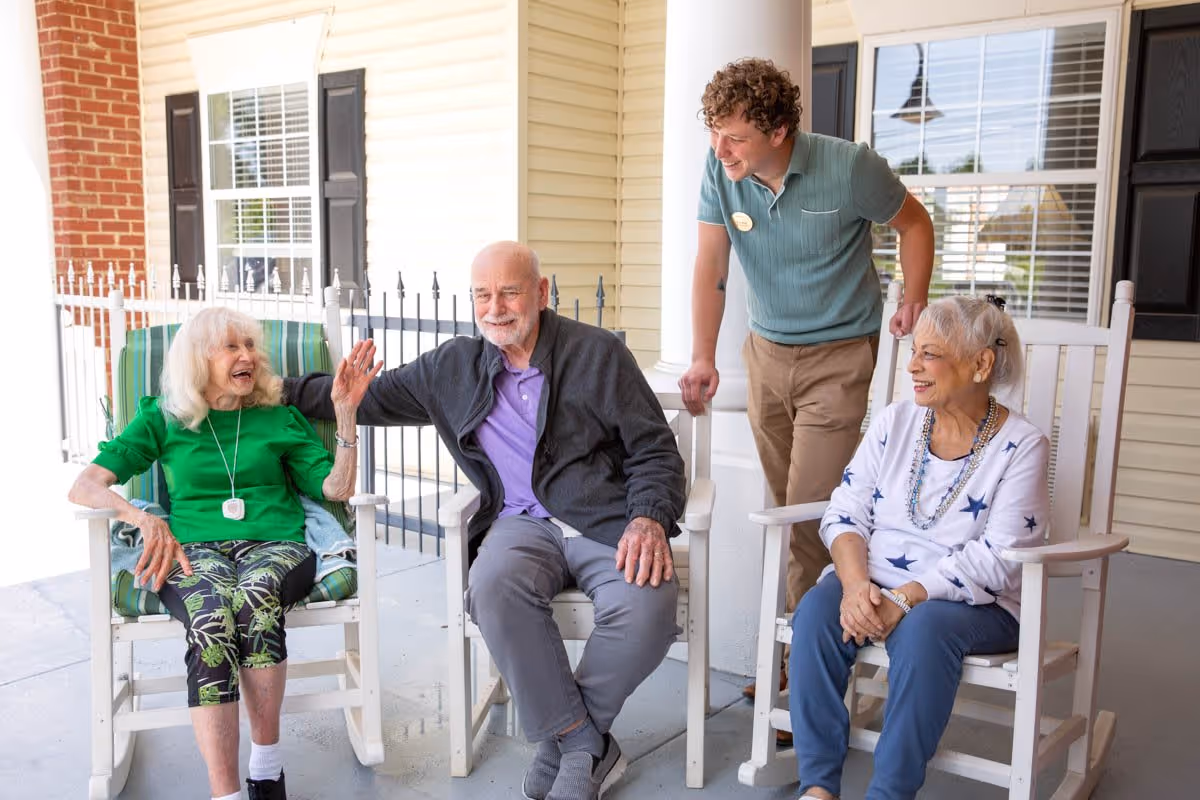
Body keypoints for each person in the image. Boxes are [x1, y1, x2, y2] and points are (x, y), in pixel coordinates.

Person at [285, 241, 686, 800]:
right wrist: (267, 392)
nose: (495, 307)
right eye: (482, 295)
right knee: (492, 587)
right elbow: (364, 397)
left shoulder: (598, 354)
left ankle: (568, 738)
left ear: (541, 294)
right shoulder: (454, 368)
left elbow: (656, 451)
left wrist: (648, 518)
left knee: (649, 606)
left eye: (509, 292)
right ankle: (583, 742)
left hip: (602, 519)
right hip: (522, 525)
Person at [677, 57, 937, 708]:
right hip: (766, 355)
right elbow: (711, 265)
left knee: (807, 516)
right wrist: (703, 356)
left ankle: (803, 676)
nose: (720, 148)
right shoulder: (722, 171)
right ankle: (822, 642)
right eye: (714, 132)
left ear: (779, 130)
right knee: (790, 507)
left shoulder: (848, 167)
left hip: (840, 355)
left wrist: (915, 296)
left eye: (734, 136)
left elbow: (915, 223)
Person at [68, 308, 380, 800]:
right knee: (211, 620)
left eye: (251, 346)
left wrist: (345, 412)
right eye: (232, 347)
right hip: (193, 548)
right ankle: (226, 793)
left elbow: (336, 488)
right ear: (198, 360)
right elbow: (85, 486)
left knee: (256, 600)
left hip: (276, 542)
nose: (248, 357)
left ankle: (267, 768)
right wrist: (143, 518)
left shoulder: (278, 416)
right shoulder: (163, 419)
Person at [788, 295, 1050, 800]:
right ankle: (818, 787)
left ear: (981, 364)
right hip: (876, 584)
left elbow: (999, 558)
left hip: (975, 604)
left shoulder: (1023, 446)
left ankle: (890, 793)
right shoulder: (895, 422)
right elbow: (846, 508)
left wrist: (905, 596)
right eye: (913, 351)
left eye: (929, 353)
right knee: (818, 611)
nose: (912, 365)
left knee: (923, 630)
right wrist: (854, 584)